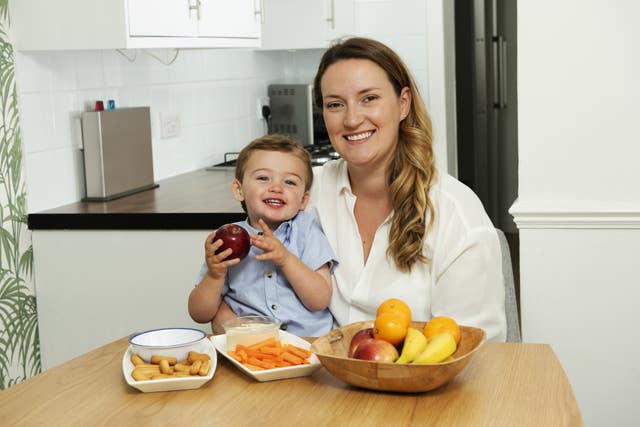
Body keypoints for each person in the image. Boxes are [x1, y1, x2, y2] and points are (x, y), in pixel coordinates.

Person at [215, 37, 507, 341]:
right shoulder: (303, 194)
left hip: (418, 384)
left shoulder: (455, 215)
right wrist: (230, 321)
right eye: (335, 105)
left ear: (403, 103)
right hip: (314, 379)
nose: (352, 120)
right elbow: (244, 280)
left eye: (369, 98)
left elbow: (475, 349)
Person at [188, 135, 337, 337]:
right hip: (249, 348)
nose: (276, 187)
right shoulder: (224, 241)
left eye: (290, 182)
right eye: (263, 178)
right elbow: (199, 314)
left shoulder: (306, 231)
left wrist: (286, 259)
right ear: (239, 190)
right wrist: (215, 275)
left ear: (303, 200)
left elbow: (319, 300)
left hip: (307, 346)